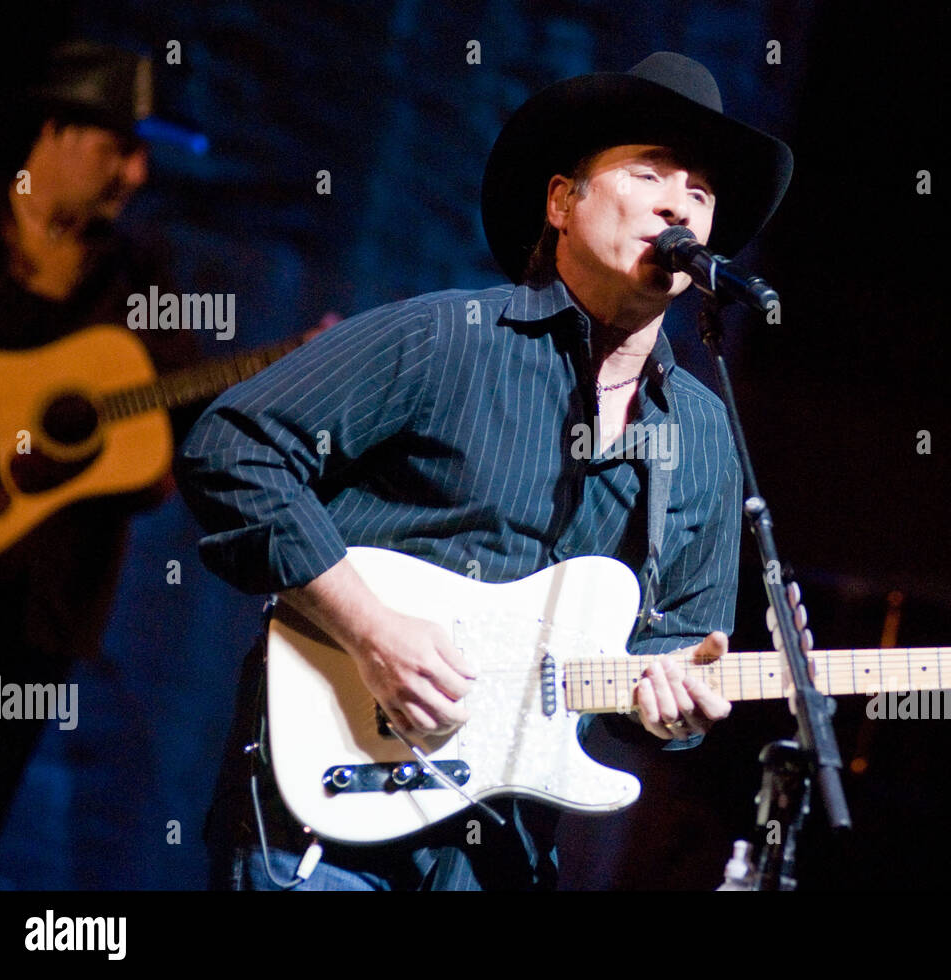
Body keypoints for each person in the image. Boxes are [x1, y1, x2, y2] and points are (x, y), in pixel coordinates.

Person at [176, 51, 793, 890]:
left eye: (700, 192)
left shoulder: (704, 431)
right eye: (649, 172)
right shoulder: (448, 339)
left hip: (500, 854)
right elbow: (232, 447)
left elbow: (673, 656)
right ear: (561, 203)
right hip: (323, 823)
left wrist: (675, 704)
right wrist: (371, 629)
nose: (677, 201)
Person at [0, 41, 203, 874]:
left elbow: (163, 439)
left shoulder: (139, 277)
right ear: (54, 134)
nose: (136, 174)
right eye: (117, 148)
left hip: (36, 621)